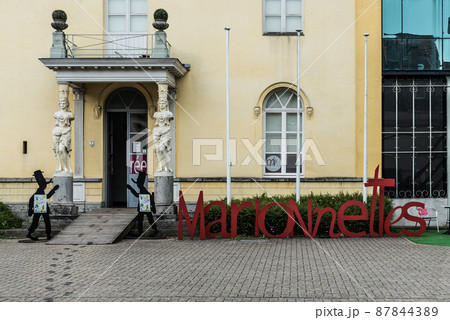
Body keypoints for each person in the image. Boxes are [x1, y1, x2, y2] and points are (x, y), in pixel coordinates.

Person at [27, 170, 59, 241]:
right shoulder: (40, 189)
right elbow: (46, 196)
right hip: (41, 207)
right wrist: (53, 189)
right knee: (45, 221)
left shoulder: (40, 188)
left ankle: (31, 233)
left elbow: (33, 198)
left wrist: (30, 208)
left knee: (37, 221)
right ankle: (47, 235)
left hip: (40, 207)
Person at [126, 171, 159, 235]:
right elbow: (141, 195)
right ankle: (145, 230)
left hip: (144, 206)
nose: (138, 185)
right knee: (145, 219)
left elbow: (138, 195)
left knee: (145, 219)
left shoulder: (142, 189)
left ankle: (150, 230)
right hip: (144, 206)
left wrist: (131, 188)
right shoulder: (142, 189)